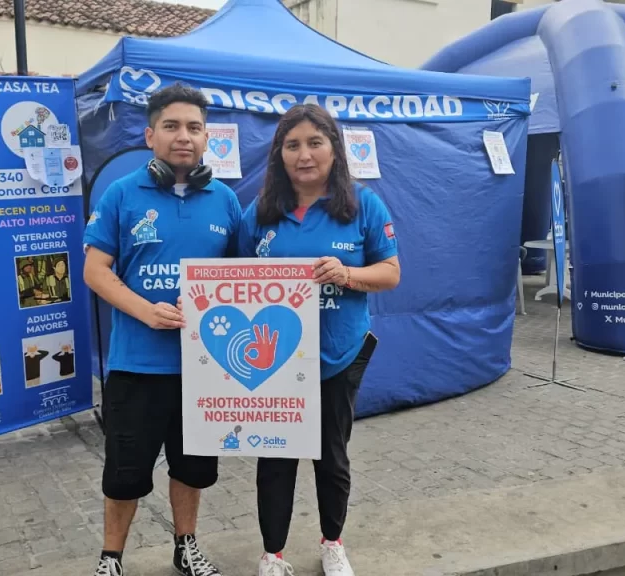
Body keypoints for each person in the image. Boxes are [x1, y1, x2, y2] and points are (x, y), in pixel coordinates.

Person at [83, 83, 241, 576]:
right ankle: (111, 557)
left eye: (194, 127)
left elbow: (242, 281)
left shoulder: (225, 200)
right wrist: (145, 311)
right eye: (171, 126)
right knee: (124, 473)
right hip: (137, 366)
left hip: (205, 368)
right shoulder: (121, 194)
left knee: (193, 467)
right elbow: (95, 271)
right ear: (151, 135)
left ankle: (185, 545)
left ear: (207, 137)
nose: (183, 136)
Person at [236, 104, 401, 576]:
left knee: (331, 457)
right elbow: (235, 278)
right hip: (275, 361)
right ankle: (272, 554)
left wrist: (347, 274)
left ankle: (333, 543)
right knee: (276, 458)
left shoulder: (363, 205)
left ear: (334, 149)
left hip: (338, 356)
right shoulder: (260, 212)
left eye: (315, 143)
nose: (304, 155)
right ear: (279, 154)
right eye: (292, 145)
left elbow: (390, 273)